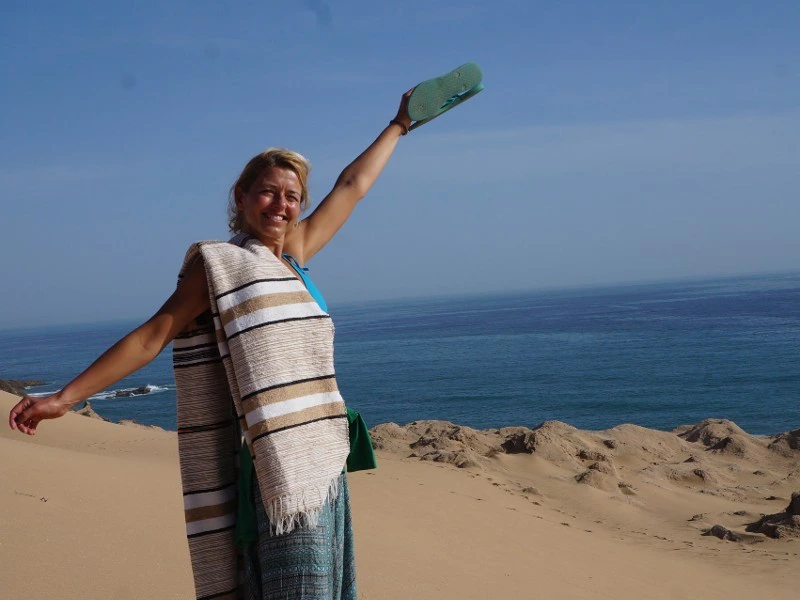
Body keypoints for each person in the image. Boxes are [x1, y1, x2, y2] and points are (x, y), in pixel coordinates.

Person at [9, 89, 414, 600]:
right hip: (277, 467)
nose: (281, 205)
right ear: (241, 196)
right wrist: (64, 398)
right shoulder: (220, 264)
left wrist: (399, 124)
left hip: (323, 460)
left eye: (292, 197)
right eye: (268, 192)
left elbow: (353, 186)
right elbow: (153, 335)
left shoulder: (295, 256)